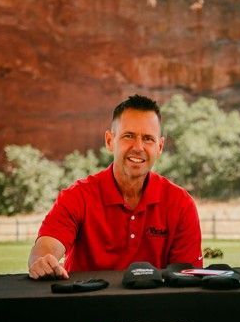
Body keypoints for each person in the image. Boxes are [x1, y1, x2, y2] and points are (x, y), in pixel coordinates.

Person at [28, 95, 203, 279]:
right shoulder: (78, 196)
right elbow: (46, 247)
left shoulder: (181, 203)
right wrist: (42, 260)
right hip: (86, 305)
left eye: (148, 139)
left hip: (153, 307)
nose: (138, 147)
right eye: (129, 136)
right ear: (110, 141)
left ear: (159, 147)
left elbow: (187, 279)